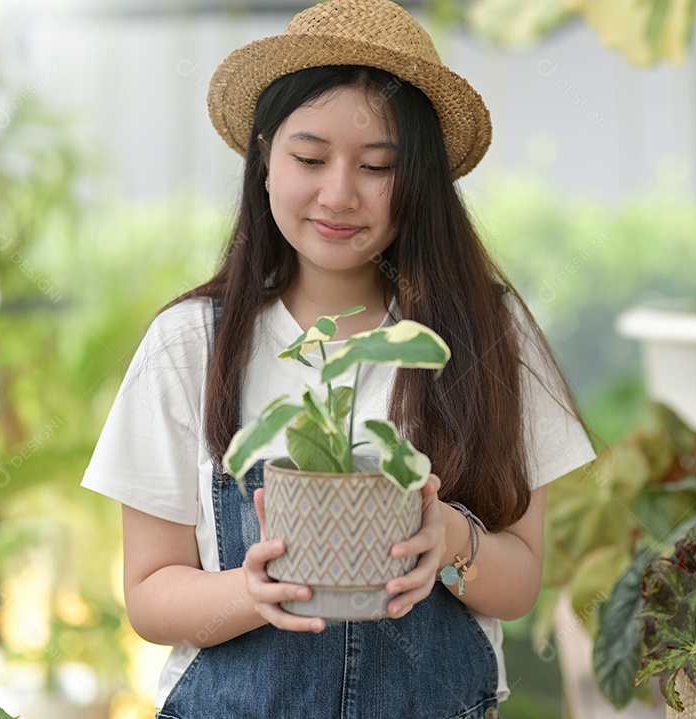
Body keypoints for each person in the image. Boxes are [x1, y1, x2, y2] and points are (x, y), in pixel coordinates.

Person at [81, 0, 596, 717]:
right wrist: (251, 591)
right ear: (264, 155)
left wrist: (450, 538)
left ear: (418, 180)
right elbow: (148, 593)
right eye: (310, 157)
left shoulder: (488, 333)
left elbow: (520, 578)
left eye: (378, 166)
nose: (339, 193)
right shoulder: (190, 342)